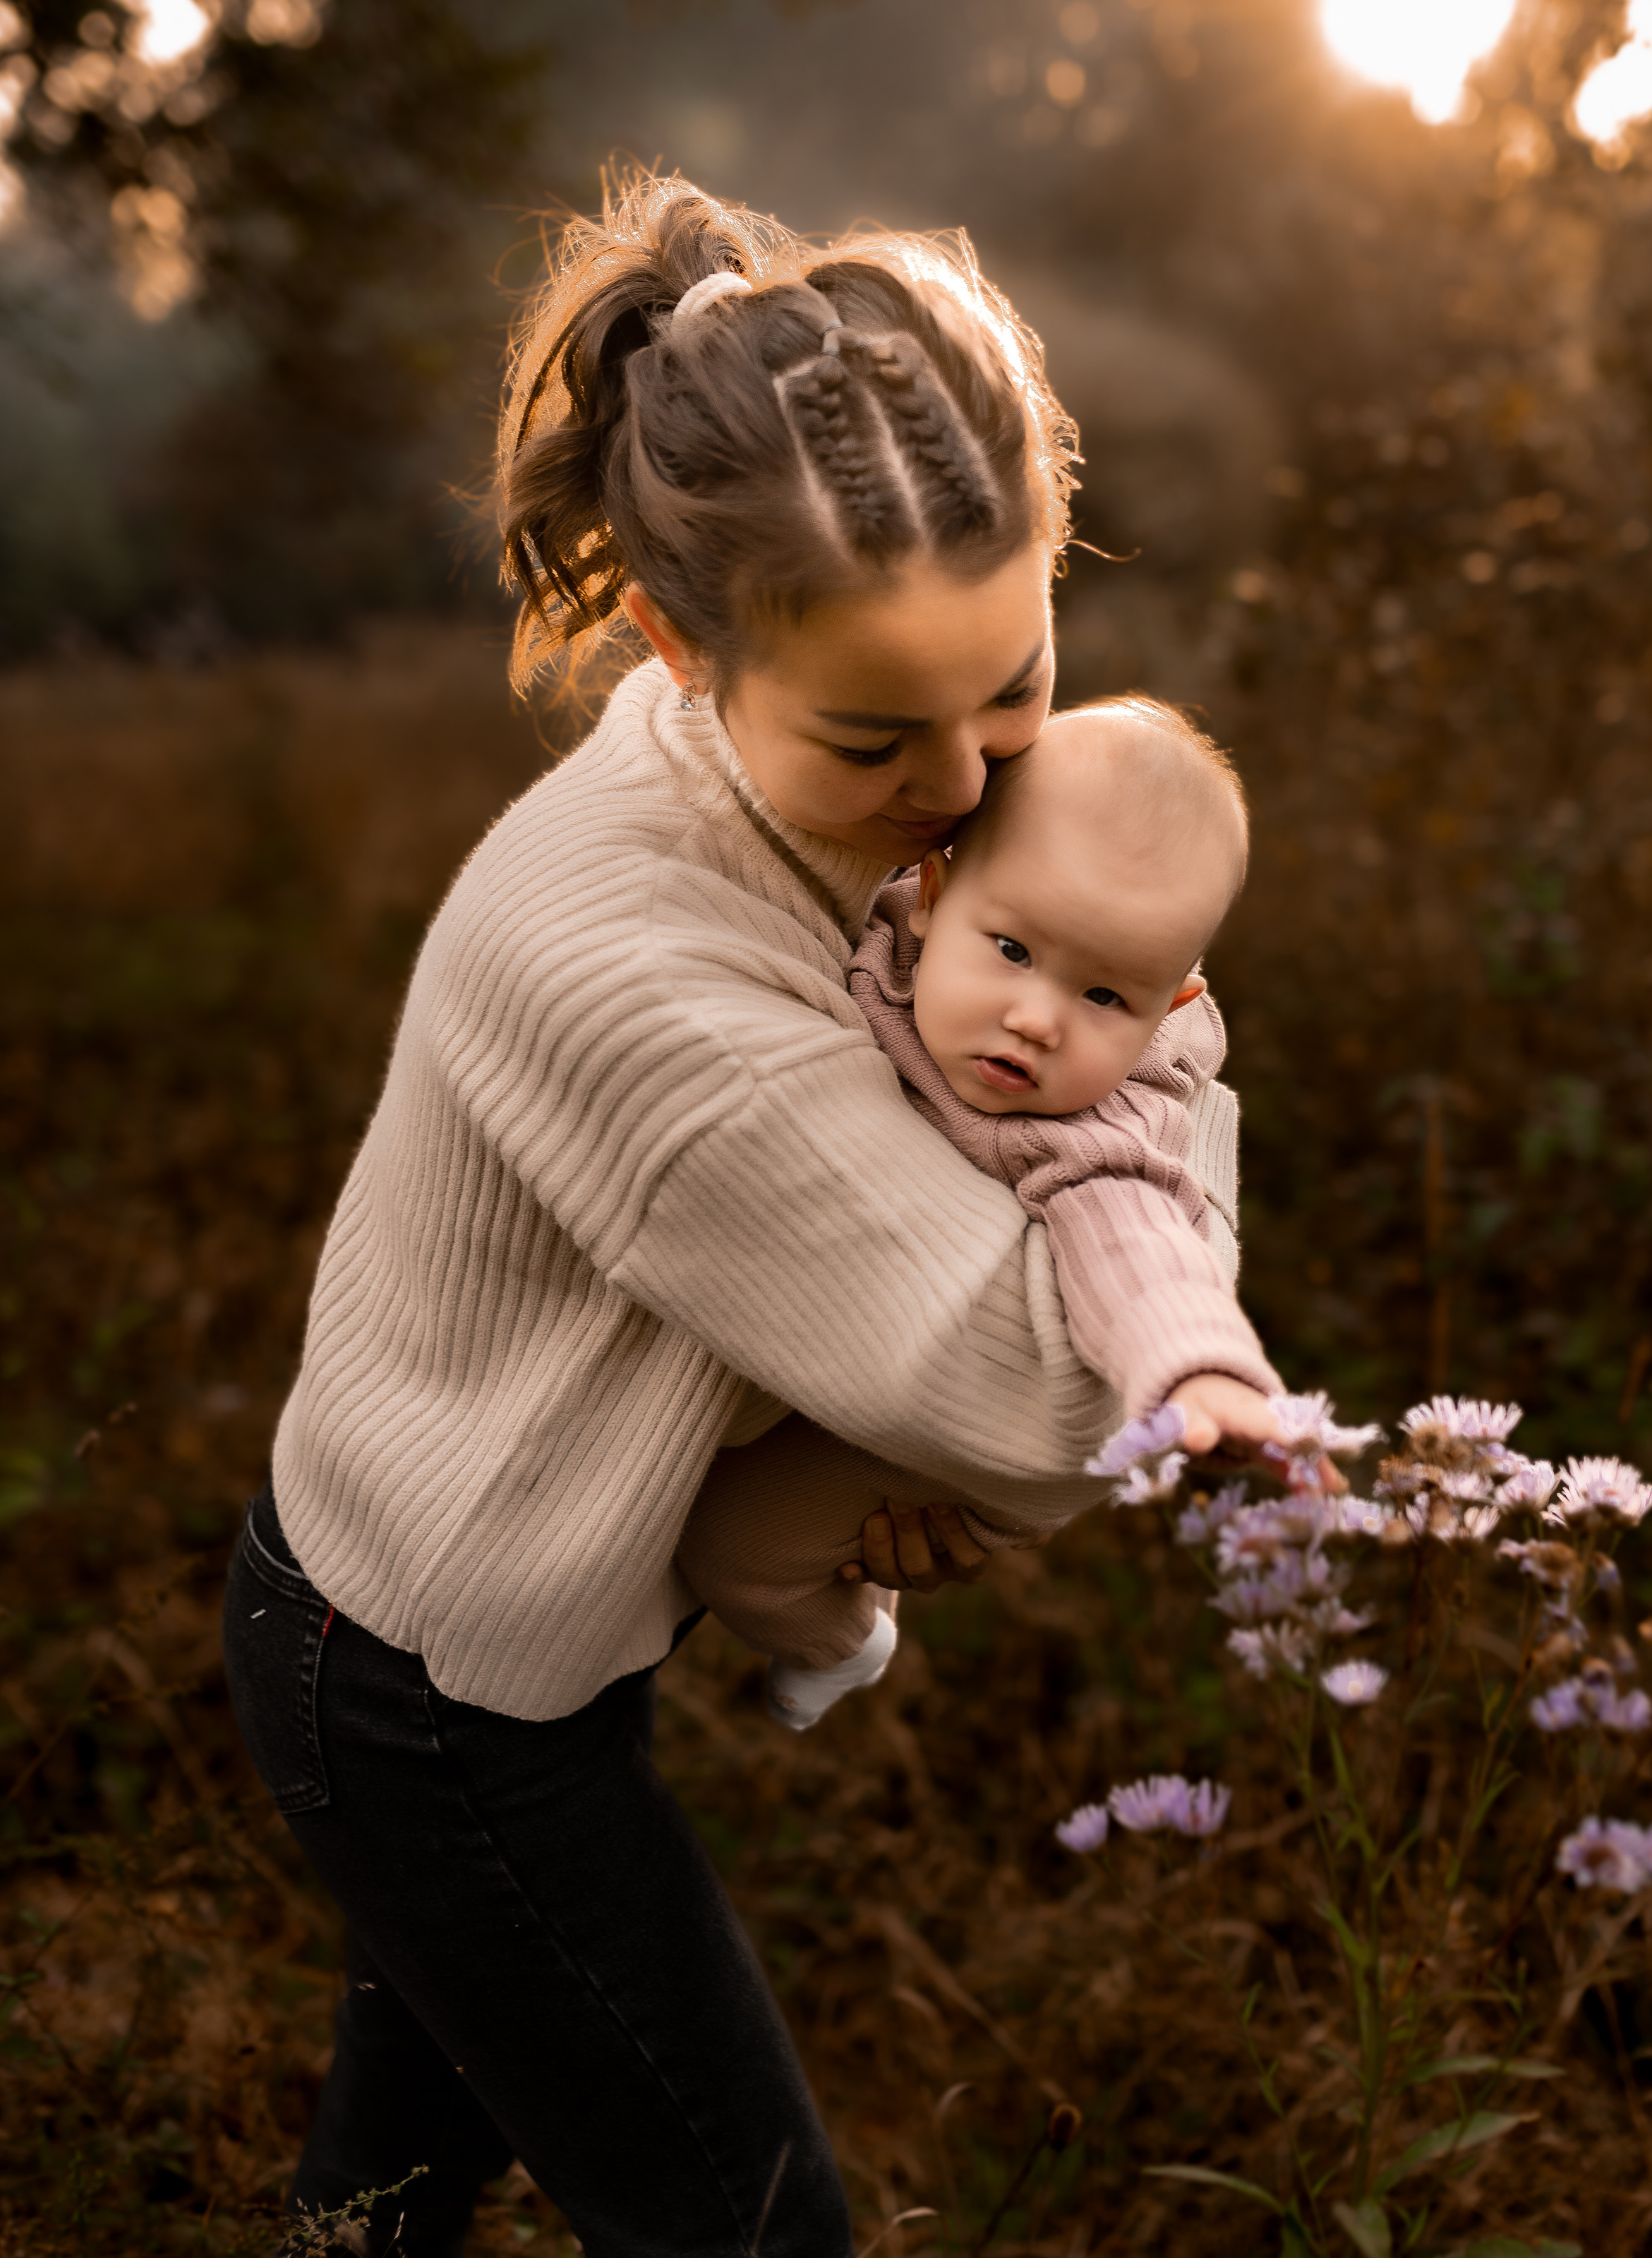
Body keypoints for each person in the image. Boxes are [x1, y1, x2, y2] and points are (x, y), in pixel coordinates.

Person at [222, 174, 1279, 2258]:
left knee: (388, 2203)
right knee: (752, 2226)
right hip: (430, 1682)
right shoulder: (630, 969)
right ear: (676, 647)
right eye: (883, 736)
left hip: (500, 1593)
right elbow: (1060, 1405)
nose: (976, 789)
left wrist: (851, 1437)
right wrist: (1169, 1047)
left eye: (1018, 683)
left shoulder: (829, 804)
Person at [677, 697, 1280, 1729]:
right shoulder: (866, 938)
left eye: (1106, 999)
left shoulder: (1088, 1125)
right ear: (932, 891)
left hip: (998, 1422)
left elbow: (1137, 1243)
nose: (1037, 1020)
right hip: (852, 1334)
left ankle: (843, 1644)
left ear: (1172, 1006)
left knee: (735, 1547)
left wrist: (1200, 1371)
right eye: (1011, 950)